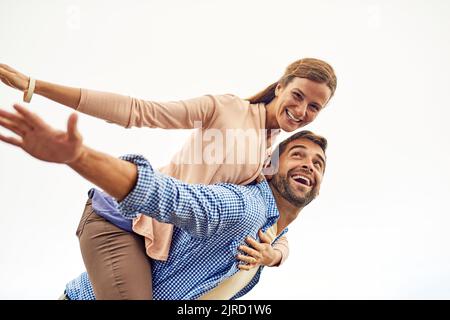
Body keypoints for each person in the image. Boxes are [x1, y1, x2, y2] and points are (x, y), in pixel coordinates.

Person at [0, 58, 336, 299]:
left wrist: (274, 256)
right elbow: (137, 111)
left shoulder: (268, 156)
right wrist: (37, 87)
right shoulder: (227, 109)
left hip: (155, 241)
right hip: (121, 219)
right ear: (279, 87)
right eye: (298, 95)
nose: (302, 110)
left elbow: (277, 221)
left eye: (314, 107)